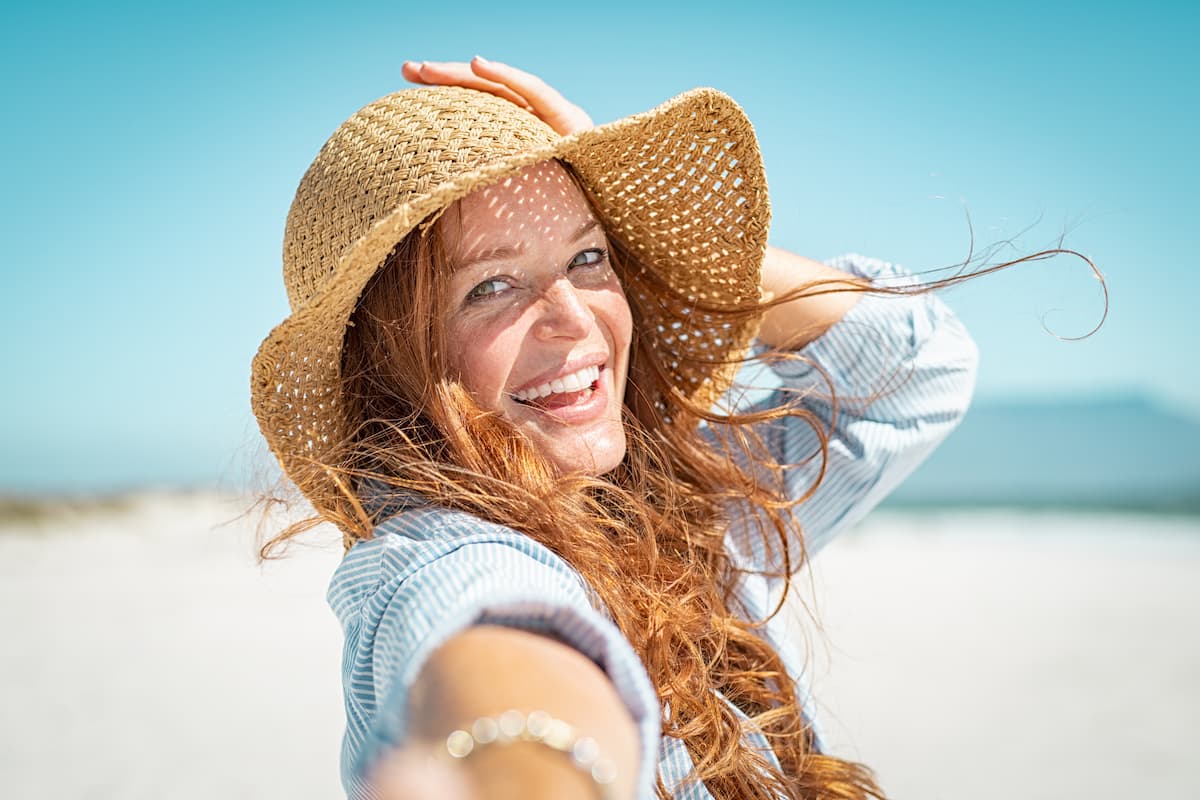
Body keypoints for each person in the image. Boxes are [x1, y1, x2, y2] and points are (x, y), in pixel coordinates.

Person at [250, 57, 979, 800]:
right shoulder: (436, 552)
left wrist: (663, 244)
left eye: (589, 256)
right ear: (389, 359)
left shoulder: (684, 511)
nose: (574, 317)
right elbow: (498, 643)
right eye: (491, 286)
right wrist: (526, 765)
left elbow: (921, 371)